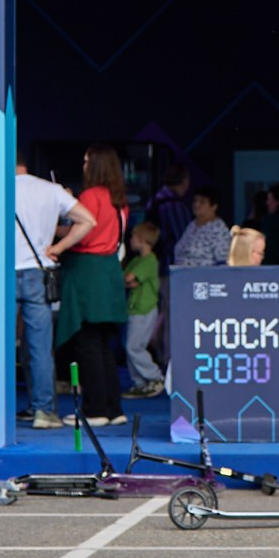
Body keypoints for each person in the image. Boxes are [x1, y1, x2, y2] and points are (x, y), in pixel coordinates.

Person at [14, 154, 93, 429]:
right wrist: (58, 248)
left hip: (2, 276)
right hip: (39, 273)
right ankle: (43, 411)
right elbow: (87, 220)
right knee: (39, 347)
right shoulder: (50, 190)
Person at [57, 143, 132, 426]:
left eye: (87, 161)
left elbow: (84, 233)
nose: (83, 166)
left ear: (97, 165)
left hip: (88, 272)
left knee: (87, 342)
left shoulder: (90, 196)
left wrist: (57, 233)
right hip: (110, 272)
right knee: (104, 345)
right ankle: (114, 408)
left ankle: (95, 409)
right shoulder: (119, 200)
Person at [121, 218, 164, 397]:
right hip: (134, 309)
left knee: (134, 346)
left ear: (142, 239)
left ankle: (155, 377)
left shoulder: (149, 261)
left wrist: (130, 281)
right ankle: (140, 382)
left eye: (133, 237)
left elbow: (129, 278)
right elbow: (125, 280)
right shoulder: (137, 260)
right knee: (130, 346)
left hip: (144, 310)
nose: (130, 240)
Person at [174, 188, 233, 268]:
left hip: (202, 278)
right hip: (180, 275)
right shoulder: (192, 225)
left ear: (214, 206)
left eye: (202, 202)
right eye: (195, 201)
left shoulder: (218, 228)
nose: (196, 204)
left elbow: (222, 261)